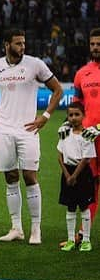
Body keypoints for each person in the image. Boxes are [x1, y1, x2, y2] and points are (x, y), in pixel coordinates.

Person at [0, 29, 63, 245]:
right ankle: (16, 228)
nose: (22, 47)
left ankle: (36, 229)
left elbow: (58, 89)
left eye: (24, 43)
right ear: (6, 44)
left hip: (28, 130)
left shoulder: (35, 64)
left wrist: (45, 116)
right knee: (10, 178)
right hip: (4, 129)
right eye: (18, 43)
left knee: (30, 176)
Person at [71, 28, 100, 228]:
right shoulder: (82, 73)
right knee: (90, 186)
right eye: (93, 44)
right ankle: (83, 232)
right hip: (90, 138)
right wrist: (71, 127)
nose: (96, 48)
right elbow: (77, 104)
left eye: (99, 44)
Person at [58, 102, 95, 252]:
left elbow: (86, 159)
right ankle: (70, 239)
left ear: (83, 115)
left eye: (77, 114)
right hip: (67, 172)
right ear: (67, 116)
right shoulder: (64, 133)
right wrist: (67, 174)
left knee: (84, 206)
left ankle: (86, 240)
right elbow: (59, 154)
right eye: (70, 115)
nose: (73, 118)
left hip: (82, 173)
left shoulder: (87, 135)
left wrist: (74, 176)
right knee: (70, 207)